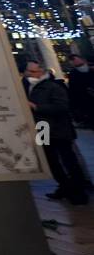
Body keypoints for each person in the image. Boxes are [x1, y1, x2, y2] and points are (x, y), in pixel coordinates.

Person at [29, 69, 89, 204]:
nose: (29, 74)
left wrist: (37, 107)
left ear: (41, 73)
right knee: (51, 160)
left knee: (67, 160)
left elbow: (61, 107)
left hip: (58, 129)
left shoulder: (54, 87)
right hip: (42, 128)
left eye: (32, 72)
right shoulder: (31, 87)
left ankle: (77, 192)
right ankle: (64, 186)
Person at [64, 53, 94, 128]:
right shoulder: (73, 74)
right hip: (86, 102)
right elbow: (73, 91)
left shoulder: (91, 69)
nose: (75, 62)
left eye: (75, 59)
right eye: (72, 60)